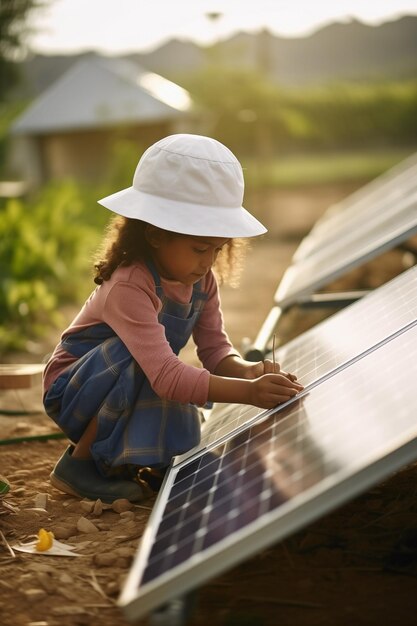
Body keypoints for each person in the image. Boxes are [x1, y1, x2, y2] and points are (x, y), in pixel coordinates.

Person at [43, 134, 303, 504]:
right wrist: (248, 394)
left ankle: (142, 461)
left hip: (135, 374)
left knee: (171, 377)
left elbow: (215, 350)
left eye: (217, 249)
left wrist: (248, 372)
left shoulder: (202, 281)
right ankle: (80, 464)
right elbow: (165, 376)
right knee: (151, 365)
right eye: (199, 249)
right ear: (154, 234)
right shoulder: (129, 285)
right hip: (75, 387)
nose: (207, 262)